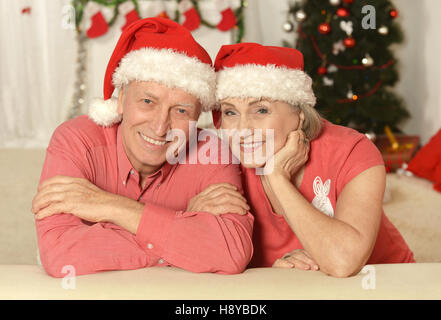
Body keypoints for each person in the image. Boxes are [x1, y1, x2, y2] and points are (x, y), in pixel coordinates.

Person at [31, 18, 253, 278]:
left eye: (181, 110)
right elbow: (60, 255)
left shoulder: (213, 154)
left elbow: (231, 253)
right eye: (148, 101)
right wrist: (184, 226)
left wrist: (111, 207)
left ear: (196, 118)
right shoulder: (75, 141)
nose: (160, 127)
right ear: (122, 99)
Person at [212, 43, 414, 278]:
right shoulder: (220, 162)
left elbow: (343, 262)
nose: (242, 129)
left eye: (261, 110)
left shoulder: (353, 150)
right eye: (230, 112)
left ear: (298, 113)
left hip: (383, 284)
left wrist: (277, 177)